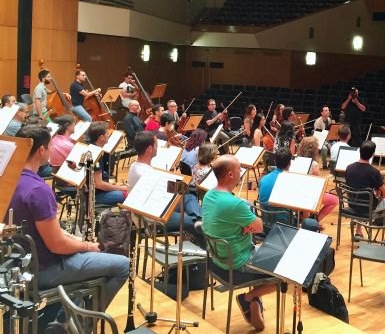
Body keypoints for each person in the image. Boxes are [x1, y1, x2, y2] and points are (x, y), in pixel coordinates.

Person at [7, 125, 128, 332]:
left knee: (78, 249)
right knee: (123, 265)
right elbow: (58, 246)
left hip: (17, 265)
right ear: (41, 151)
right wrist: (87, 246)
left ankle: (63, 316)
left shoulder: (9, 180)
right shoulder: (38, 190)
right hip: (44, 270)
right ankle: (82, 326)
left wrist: (69, 236)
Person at [202, 155, 277, 331]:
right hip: (238, 262)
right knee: (284, 274)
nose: (241, 172)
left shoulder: (209, 195)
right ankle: (250, 297)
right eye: (238, 169)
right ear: (229, 175)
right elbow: (259, 227)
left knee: (265, 255)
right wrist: (246, 225)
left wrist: (243, 226)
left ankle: (254, 300)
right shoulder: (235, 204)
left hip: (216, 259)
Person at [127, 131, 202, 234]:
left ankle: (198, 219)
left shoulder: (135, 166)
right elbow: (176, 190)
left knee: (189, 198)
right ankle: (200, 226)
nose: (158, 147)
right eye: (156, 144)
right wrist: (177, 177)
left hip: (155, 207)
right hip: (152, 218)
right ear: (149, 149)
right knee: (192, 221)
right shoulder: (146, 173)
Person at [345, 140, 385, 243]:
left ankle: (358, 232)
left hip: (352, 205)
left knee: (360, 196)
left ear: (359, 151)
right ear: (373, 154)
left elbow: (356, 185)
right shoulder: (374, 172)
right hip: (368, 209)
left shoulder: (349, 168)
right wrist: (378, 192)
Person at [258, 149, 318, 231]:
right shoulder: (291, 181)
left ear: (275, 162)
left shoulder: (263, 179)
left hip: (266, 223)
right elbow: (302, 207)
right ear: (290, 163)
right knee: (310, 221)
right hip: (284, 224)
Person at [297, 137, 339, 225]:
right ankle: (315, 222)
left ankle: (304, 217)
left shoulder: (295, 159)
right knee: (334, 200)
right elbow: (318, 186)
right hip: (308, 194)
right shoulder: (314, 164)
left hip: (297, 190)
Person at [86, 122, 128, 206]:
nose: (109, 135)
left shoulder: (91, 148)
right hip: (96, 195)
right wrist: (120, 188)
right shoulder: (94, 155)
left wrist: (113, 185)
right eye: (107, 133)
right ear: (101, 137)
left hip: (95, 192)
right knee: (128, 195)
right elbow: (99, 184)